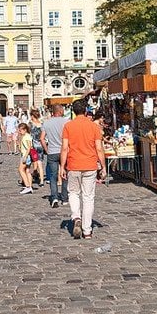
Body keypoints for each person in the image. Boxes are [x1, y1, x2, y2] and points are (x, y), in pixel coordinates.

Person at [60, 100, 106, 239]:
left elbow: (64, 148)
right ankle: (87, 230)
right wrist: (103, 166)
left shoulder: (68, 126)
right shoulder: (93, 127)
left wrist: (62, 166)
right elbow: (99, 148)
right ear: (86, 111)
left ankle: (76, 217)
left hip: (73, 164)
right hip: (90, 165)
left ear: (73, 111)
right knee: (88, 197)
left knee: (73, 193)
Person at [41, 105, 69, 209]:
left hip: (52, 152)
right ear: (61, 111)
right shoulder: (66, 122)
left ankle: (55, 197)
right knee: (65, 174)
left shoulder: (47, 122)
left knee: (53, 176)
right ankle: (65, 198)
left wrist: (46, 149)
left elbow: (42, 138)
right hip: (64, 151)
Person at [17, 123, 36, 194]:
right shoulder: (25, 136)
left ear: (25, 130)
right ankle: (29, 186)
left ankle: (28, 186)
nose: (19, 132)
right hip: (26, 155)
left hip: (26, 155)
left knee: (21, 169)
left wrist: (25, 156)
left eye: (20, 130)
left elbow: (29, 148)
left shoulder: (27, 137)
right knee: (27, 171)